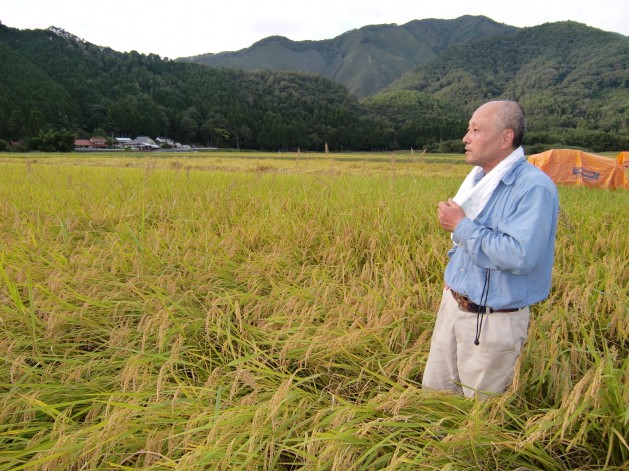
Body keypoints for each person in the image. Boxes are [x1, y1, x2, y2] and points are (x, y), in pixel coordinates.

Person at [422, 100, 559, 399]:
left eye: (475, 130)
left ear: (505, 138)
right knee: (435, 399)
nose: (465, 138)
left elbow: (520, 255)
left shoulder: (532, 188)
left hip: (492, 321)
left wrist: (462, 226)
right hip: (454, 307)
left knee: (478, 417)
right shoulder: (478, 181)